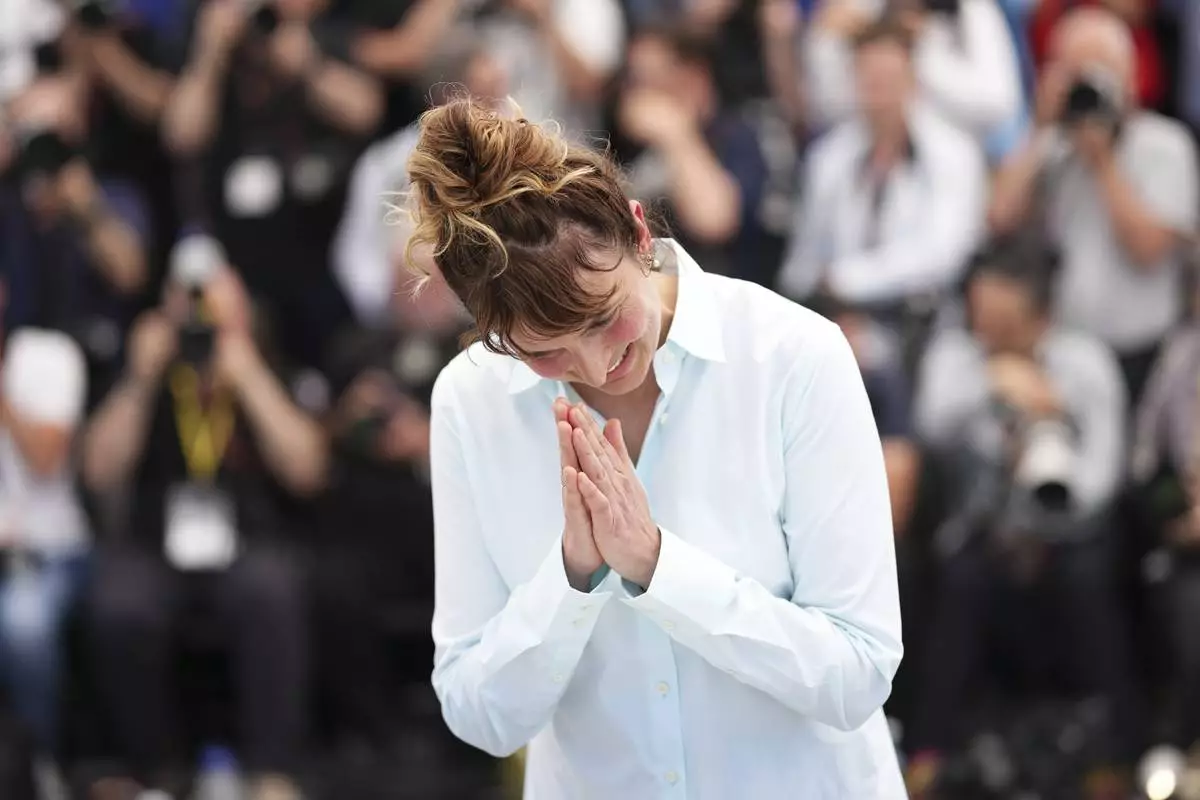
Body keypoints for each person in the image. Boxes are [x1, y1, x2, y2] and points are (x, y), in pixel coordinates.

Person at [406, 98, 904, 797]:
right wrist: (572, 580)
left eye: (605, 316)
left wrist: (658, 569)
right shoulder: (470, 403)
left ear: (638, 230)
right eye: (543, 352)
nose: (594, 363)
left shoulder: (793, 355)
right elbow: (478, 714)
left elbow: (858, 671)